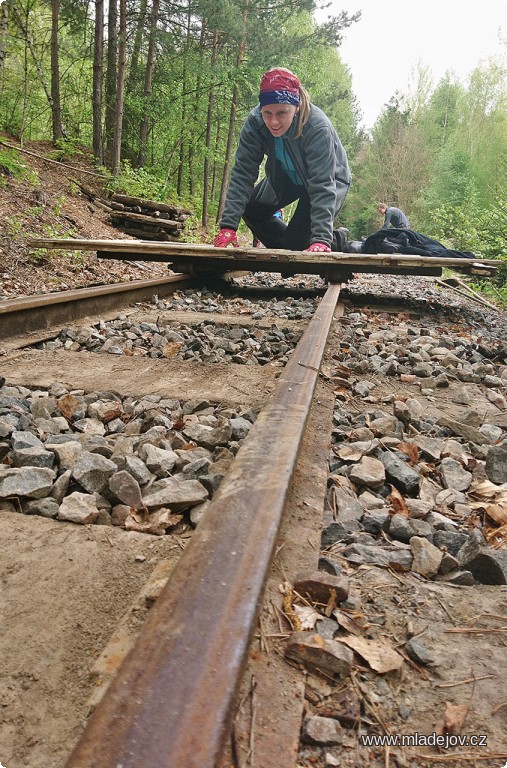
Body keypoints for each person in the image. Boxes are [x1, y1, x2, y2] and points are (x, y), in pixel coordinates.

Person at [213, 67, 351, 253]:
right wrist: (228, 226)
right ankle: (291, 249)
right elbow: (242, 173)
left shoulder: (317, 127)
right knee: (251, 210)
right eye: (267, 113)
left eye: (282, 113)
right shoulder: (255, 123)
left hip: (329, 180)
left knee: (297, 242)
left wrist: (320, 239)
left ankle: (334, 240)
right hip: (287, 176)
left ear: (297, 107)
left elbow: (322, 184)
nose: (273, 122)